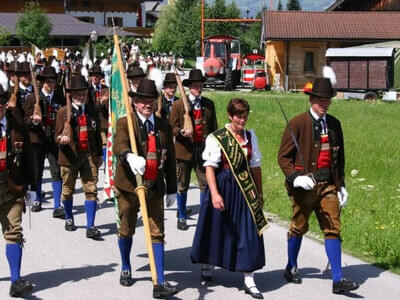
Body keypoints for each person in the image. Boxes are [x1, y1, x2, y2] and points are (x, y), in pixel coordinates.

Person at [277, 77, 359, 294]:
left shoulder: (334, 124)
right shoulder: (296, 124)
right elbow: (283, 157)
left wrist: (341, 185)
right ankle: (291, 266)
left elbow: (338, 159)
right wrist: (295, 177)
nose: (324, 105)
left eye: (328, 101)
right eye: (321, 101)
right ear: (311, 99)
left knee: (333, 227)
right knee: (299, 226)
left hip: (328, 185)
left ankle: (338, 279)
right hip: (304, 186)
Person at [191, 98, 267, 299]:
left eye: (245, 116)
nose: (242, 121)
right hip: (224, 186)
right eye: (238, 117)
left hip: (245, 189)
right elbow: (209, 168)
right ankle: (208, 263)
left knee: (249, 231)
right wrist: (214, 193)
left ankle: (249, 277)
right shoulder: (217, 138)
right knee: (217, 227)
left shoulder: (251, 137)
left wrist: (259, 194)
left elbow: (255, 167)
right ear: (230, 116)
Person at [113, 79, 178, 298]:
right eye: (142, 100)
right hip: (130, 187)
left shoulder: (164, 127)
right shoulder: (125, 123)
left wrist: (172, 188)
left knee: (157, 232)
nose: (147, 104)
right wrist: (129, 156)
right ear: (135, 102)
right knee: (127, 228)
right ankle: (125, 265)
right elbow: (118, 144)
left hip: (154, 187)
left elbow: (170, 160)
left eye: (150, 100)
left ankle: (159, 280)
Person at [55, 75, 103, 239]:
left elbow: (96, 134)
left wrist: (100, 154)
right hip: (69, 156)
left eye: (83, 93)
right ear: (71, 95)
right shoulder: (63, 112)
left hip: (88, 154)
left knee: (91, 189)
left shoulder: (92, 110)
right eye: (77, 94)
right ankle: (69, 217)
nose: (80, 96)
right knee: (67, 190)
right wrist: (62, 139)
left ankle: (91, 225)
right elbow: (57, 135)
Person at [169, 69, 218, 230]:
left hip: (203, 151)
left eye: (201, 86)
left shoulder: (208, 105)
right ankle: (182, 215)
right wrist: (181, 132)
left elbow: (213, 130)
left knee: (205, 184)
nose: (198, 89)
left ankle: (204, 216)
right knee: (183, 184)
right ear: (189, 87)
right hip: (184, 150)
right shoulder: (178, 105)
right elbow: (171, 127)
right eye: (196, 86)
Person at [0, 81, 36, 297]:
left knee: (14, 232)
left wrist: (30, 186)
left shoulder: (18, 128)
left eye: (1, 102)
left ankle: (16, 280)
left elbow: (29, 160)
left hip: (12, 188)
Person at [24, 66, 66, 217]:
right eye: (47, 81)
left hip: (54, 139)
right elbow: (25, 121)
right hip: (37, 139)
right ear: (41, 82)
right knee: (36, 171)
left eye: (53, 81)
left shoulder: (60, 98)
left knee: (56, 171)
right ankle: (36, 200)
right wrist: (33, 121)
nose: (50, 84)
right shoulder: (32, 98)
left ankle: (57, 205)